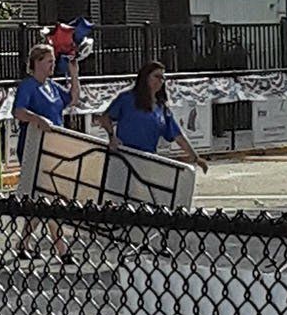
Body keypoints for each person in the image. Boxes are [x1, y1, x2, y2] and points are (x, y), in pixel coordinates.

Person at [13, 42, 80, 258]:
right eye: (49, 61)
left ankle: (24, 243)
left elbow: (72, 99)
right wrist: (37, 119)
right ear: (37, 62)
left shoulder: (52, 86)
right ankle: (61, 248)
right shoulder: (28, 85)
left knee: (43, 197)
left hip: (53, 146)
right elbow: (18, 111)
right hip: (34, 146)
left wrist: (74, 74)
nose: (53, 65)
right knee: (49, 195)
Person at [95, 61, 208, 173]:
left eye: (162, 78)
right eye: (156, 76)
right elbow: (105, 118)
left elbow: (178, 136)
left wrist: (196, 158)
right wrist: (112, 137)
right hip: (124, 158)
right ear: (145, 77)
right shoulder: (126, 98)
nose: (160, 81)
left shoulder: (162, 108)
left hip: (147, 161)